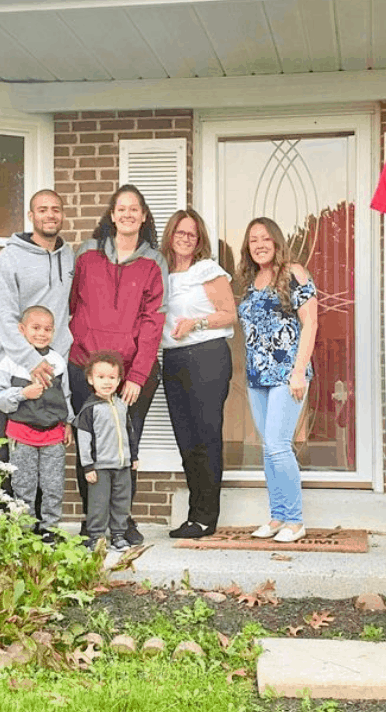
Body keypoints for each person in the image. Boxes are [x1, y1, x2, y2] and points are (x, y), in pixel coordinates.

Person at [67, 184, 168, 546]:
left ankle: (122, 523)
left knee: (125, 449)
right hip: (84, 367)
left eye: (134, 209)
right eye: (120, 209)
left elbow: (152, 321)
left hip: (129, 373)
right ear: (112, 215)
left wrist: (138, 375)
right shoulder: (87, 253)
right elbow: (72, 303)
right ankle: (92, 523)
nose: (127, 214)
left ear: (143, 216)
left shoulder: (154, 262)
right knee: (90, 446)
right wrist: (78, 349)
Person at [237, 217, 318, 544]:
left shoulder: (294, 272)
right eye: (253, 239)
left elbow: (310, 322)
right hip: (257, 376)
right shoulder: (251, 280)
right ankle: (278, 516)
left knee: (278, 445)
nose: (259, 244)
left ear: (277, 241)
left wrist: (298, 371)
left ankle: (296, 521)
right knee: (269, 449)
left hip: (287, 374)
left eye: (265, 238)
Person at [0, 190, 73, 474]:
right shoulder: (9, 258)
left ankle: (35, 520)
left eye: (56, 209)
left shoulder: (69, 256)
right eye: (43, 209)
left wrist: (55, 362)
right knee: (2, 453)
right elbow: (5, 318)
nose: (50, 215)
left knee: (42, 456)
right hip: (12, 367)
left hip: (51, 370)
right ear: (31, 216)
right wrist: (33, 362)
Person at [160, 209, 235, 539]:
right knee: (186, 441)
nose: (185, 238)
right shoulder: (160, 272)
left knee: (205, 438)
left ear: (199, 239)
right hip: (173, 360)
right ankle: (195, 514)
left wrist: (196, 323)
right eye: (180, 232)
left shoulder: (207, 270)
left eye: (191, 233)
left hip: (207, 357)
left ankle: (206, 517)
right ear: (170, 234)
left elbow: (229, 315)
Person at [0, 305, 74, 539]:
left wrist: (68, 423)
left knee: (53, 486)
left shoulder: (58, 362)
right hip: (22, 435)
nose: (41, 333)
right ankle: (24, 530)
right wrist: (23, 394)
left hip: (53, 436)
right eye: (35, 328)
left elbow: (65, 396)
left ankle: (49, 530)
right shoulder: (9, 363)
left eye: (47, 329)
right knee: (23, 486)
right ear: (22, 330)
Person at [74, 350, 138, 551]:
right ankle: (96, 537)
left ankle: (118, 535)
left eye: (112, 377)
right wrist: (88, 466)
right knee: (98, 504)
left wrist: (133, 457)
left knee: (121, 503)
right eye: (101, 377)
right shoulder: (89, 409)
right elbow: (83, 440)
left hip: (122, 465)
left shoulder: (121, 405)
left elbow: (129, 432)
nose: (107, 382)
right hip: (100, 467)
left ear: (119, 380)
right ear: (91, 380)